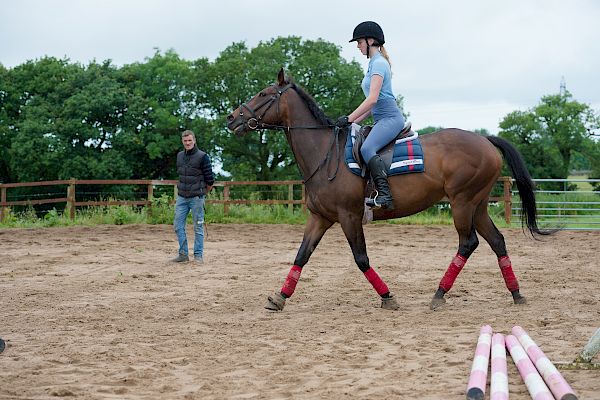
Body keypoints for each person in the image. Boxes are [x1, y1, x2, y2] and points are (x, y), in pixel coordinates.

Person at [336, 21, 405, 209]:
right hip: (380, 117)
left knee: (367, 149)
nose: (358, 46)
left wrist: (349, 117)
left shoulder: (379, 64)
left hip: (390, 118)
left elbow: (372, 99)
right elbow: (369, 107)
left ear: (371, 41)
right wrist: (348, 123)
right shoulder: (373, 64)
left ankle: (385, 195)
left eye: (359, 42)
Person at [172, 130, 214, 264]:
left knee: (198, 227)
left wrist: (202, 193)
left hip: (196, 198)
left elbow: (210, 179)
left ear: (194, 140)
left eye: (190, 140)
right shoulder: (179, 156)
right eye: (185, 141)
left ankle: (198, 256)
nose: (187, 143)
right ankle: (183, 254)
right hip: (181, 197)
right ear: (182, 142)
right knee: (178, 225)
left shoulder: (203, 156)